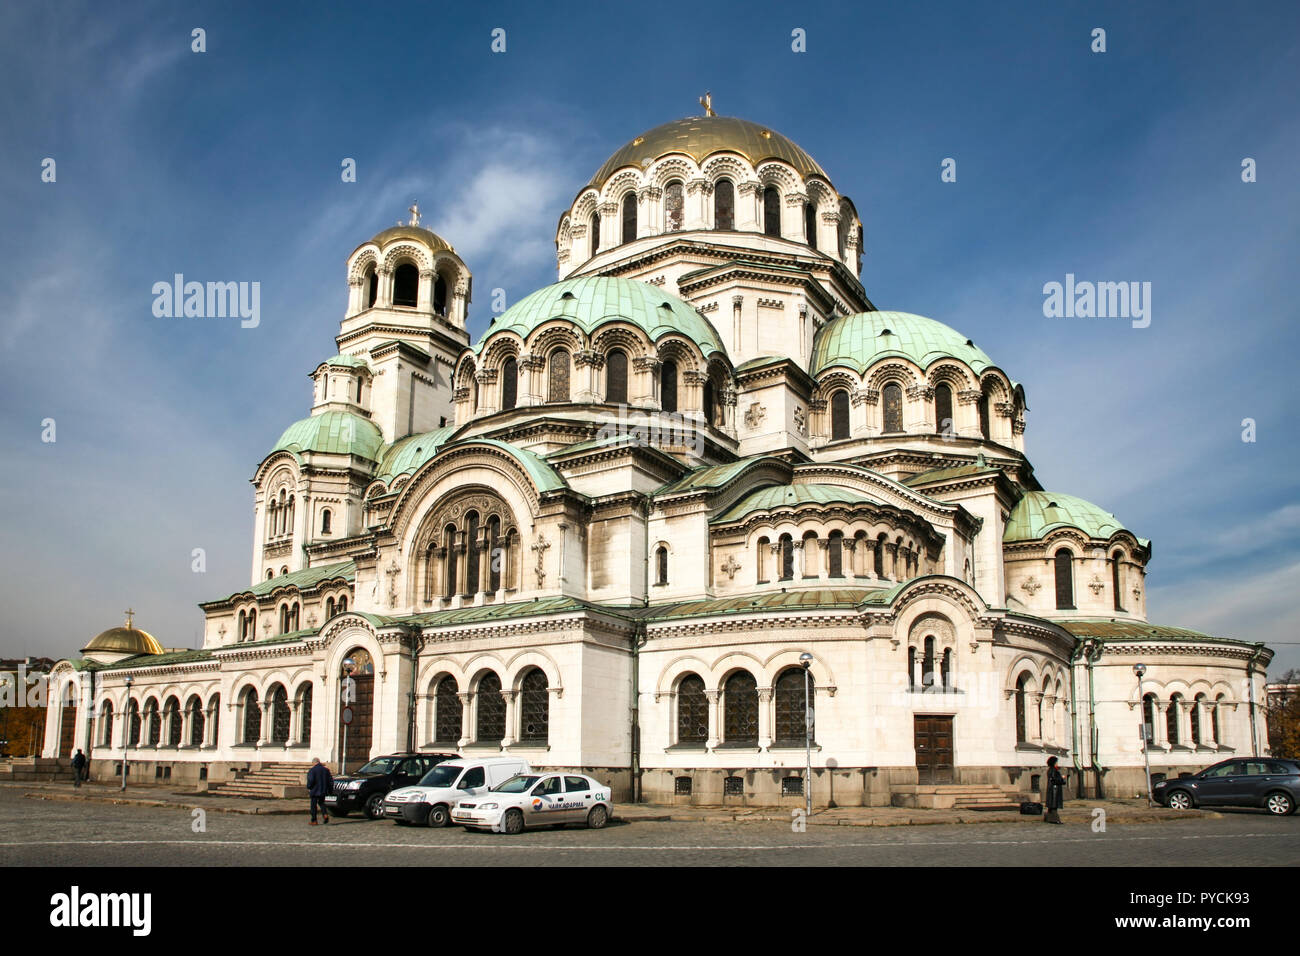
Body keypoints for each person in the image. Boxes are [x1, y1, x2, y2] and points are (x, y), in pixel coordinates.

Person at [306, 757, 332, 825]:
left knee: (313, 806)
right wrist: (329, 790)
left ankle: (314, 820)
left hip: (314, 790)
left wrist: (309, 787)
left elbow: (311, 780)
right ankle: (325, 814)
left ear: (314, 763)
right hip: (323, 790)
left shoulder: (312, 770)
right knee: (322, 803)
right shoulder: (326, 770)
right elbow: (330, 781)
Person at [1043, 755, 1066, 824]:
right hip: (1054, 790)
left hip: (1052, 789)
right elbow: (1054, 780)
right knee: (1054, 806)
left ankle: (1049, 818)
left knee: (1051, 807)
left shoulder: (1051, 769)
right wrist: (1062, 779)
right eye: (1056, 762)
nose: (1057, 763)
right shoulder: (1053, 770)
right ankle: (1055, 819)